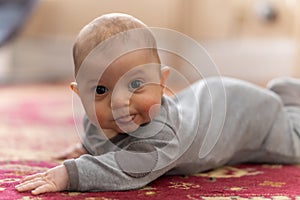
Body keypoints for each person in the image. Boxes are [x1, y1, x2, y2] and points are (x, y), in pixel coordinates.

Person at [15, 13, 300, 195]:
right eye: (100, 90)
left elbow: (129, 168)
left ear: (162, 82)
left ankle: (289, 102)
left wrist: (71, 174)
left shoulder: (162, 135)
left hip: (251, 117)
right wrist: (87, 147)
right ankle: (284, 94)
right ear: (79, 95)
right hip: (212, 97)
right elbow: (102, 141)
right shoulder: (97, 119)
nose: (120, 102)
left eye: (136, 84)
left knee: (293, 144)